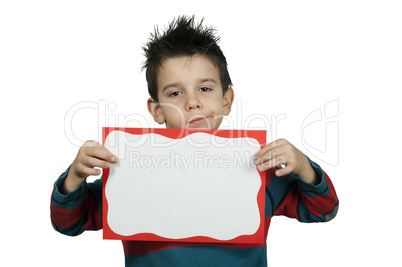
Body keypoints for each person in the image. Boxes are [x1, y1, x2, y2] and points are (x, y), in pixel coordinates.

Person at [50, 15, 339, 266]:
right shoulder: (131, 171)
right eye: (175, 93)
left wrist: (304, 166)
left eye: (204, 88)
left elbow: (324, 211)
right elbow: (70, 223)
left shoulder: (260, 168)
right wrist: (74, 178)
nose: (192, 103)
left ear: (226, 100)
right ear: (157, 110)